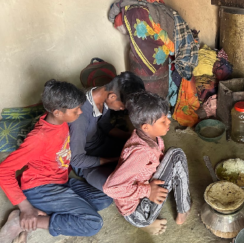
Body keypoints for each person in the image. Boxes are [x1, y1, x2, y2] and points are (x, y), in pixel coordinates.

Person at [0, 80, 113, 243]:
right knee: (93, 223)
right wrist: (25, 207)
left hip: (61, 182)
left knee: (105, 197)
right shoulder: (39, 139)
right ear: (58, 112)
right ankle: (25, 220)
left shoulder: (62, 122)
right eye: (76, 110)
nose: (81, 112)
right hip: (40, 189)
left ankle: (45, 212)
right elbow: (3, 170)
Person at [103, 91, 191, 235]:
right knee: (177, 155)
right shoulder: (141, 153)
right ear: (146, 127)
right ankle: (183, 210)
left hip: (140, 201)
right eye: (163, 121)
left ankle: (177, 208)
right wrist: (148, 190)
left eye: (167, 117)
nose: (169, 122)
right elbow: (110, 188)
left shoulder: (147, 136)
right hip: (138, 213)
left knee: (174, 155)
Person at [69, 72, 145, 191]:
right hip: (88, 160)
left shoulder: (103, 100)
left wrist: (133, 137)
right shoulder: (79, 117)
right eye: (122, 106)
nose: (122, 109)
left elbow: (106, 127)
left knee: (143, 154)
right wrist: (114, 160)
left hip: (105, 145)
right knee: (115, 186)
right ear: (112, 97)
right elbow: (76, 159)